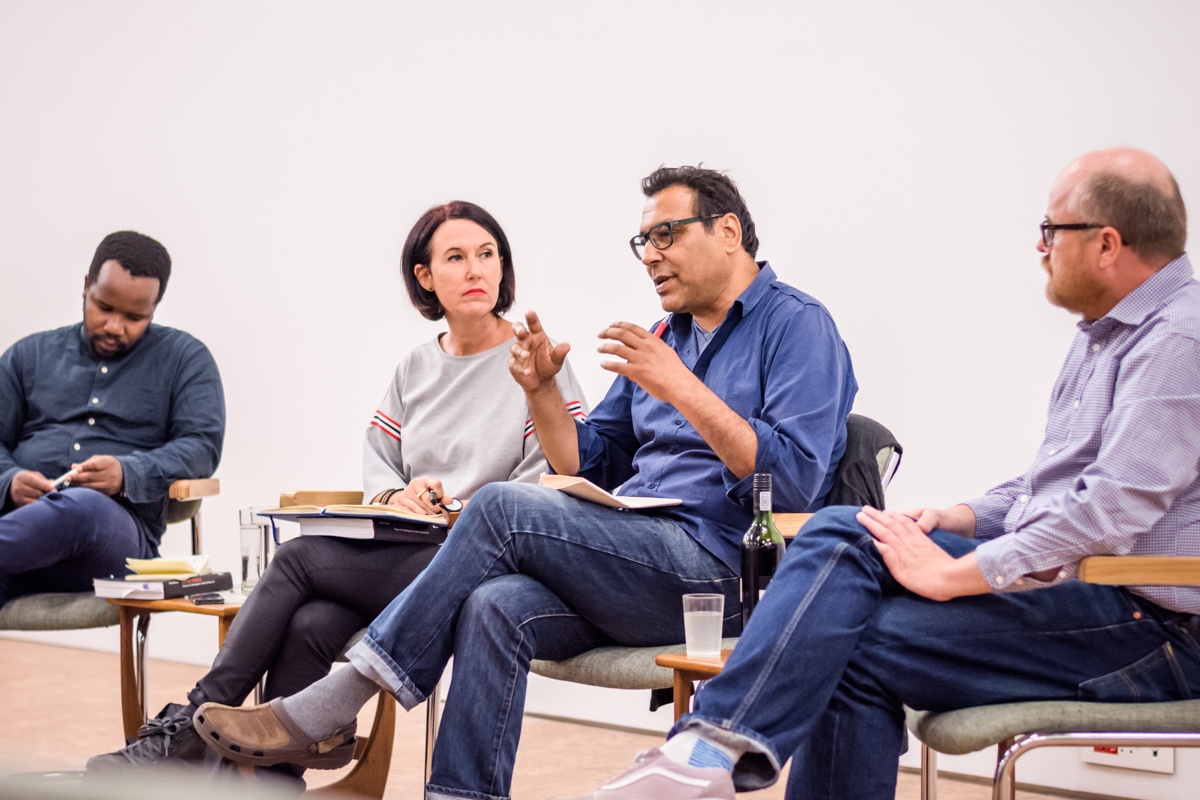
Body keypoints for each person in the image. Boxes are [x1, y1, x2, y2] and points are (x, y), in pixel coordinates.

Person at [191, 166, 858, 800]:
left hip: (722, 573)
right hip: (635, 557)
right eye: (642, 241)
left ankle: (341, 696)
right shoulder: (662, 337)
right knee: (495, 604)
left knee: (505, 506)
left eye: (667, 235)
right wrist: (539, 389)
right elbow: (585, 464)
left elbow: (792, 484)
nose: (650, 255)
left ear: (730, 232)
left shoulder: (798, 326)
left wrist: (679, 386)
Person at [576, 147, 1200, 800]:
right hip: (1073, 594)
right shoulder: (1104, 336)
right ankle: (711, 749)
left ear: (1106, 244)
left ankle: (710, 746)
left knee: (840, 593)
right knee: (847, 557)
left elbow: (1105, 511)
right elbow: (1052, 483)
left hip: (1145, 629)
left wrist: (958, 572)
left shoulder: (1177, 342)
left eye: (1051, 229)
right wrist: (956, 517)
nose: (1039, 246)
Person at [86, 201, 589, 784]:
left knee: (299, 558)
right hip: (406, 551)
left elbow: (554, 476)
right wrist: (398, 496)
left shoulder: (533, 361)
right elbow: (380, 461)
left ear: (502, 269)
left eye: (486, 255)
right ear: (425, 277)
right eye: (456, 257)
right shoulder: (415, 367)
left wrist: (459, 507)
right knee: (311, 623)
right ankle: (262, 784)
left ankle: (189, 727)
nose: (476, 270)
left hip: (483, 561)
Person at [0, 231, 224, 608]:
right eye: (103, 307)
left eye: (135, 317)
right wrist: (9, 481)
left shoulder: (186, 359)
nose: (115, 326)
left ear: (155, 307)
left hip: (112, 543)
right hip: (17, 541)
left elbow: (200, 447)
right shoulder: (28, 355)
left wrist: (127, 472)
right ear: (86, 287)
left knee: (81, 509)